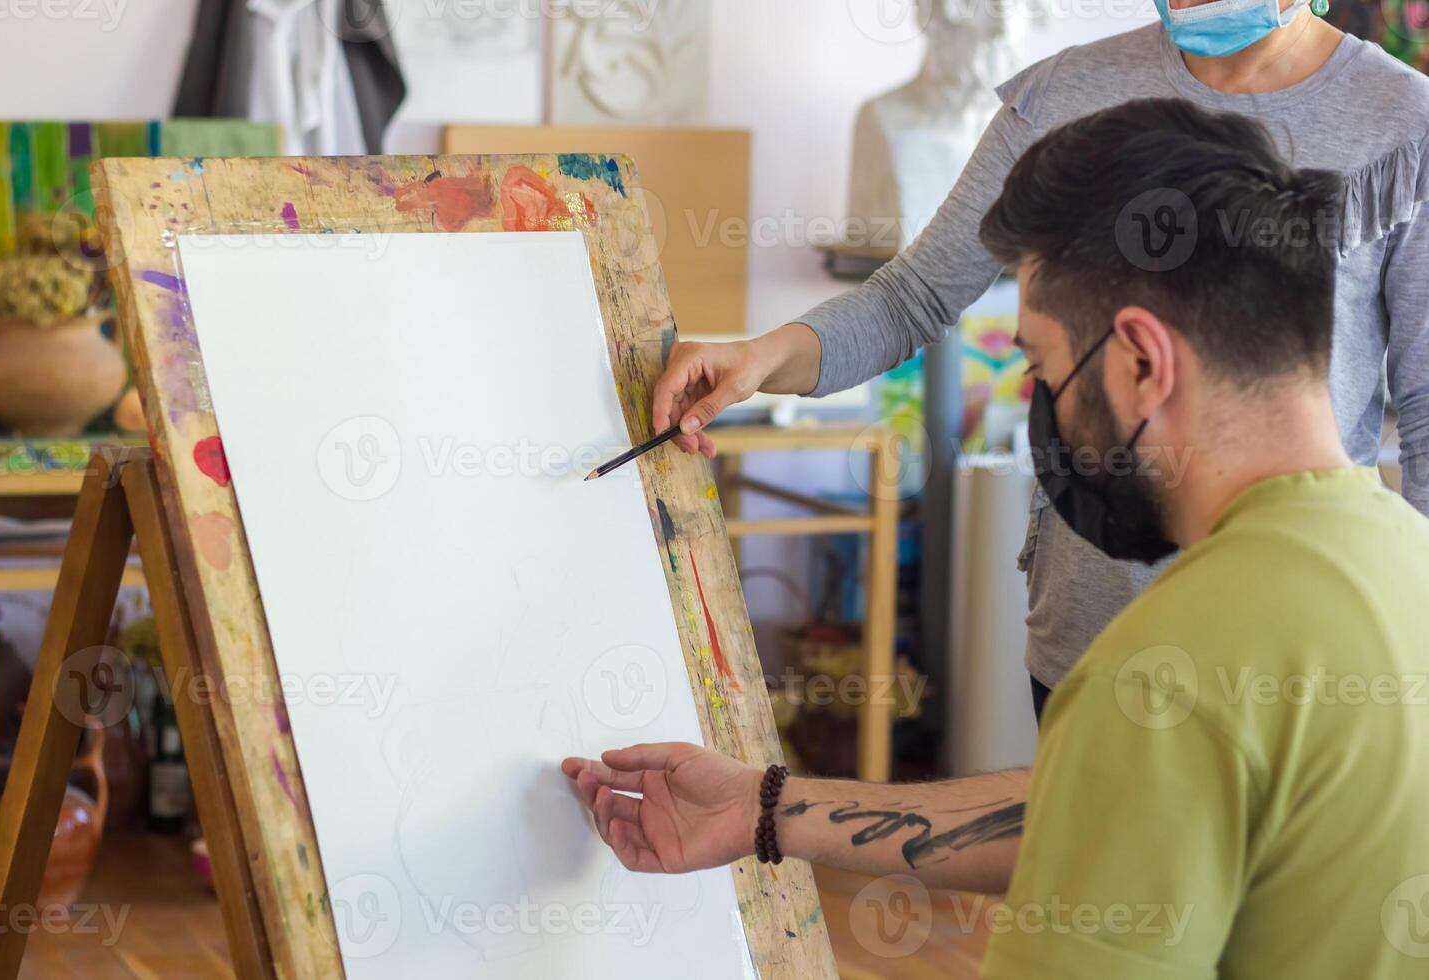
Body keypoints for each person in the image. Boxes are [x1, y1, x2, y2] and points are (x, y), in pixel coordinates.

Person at [565, 97, 1429, 977]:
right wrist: (763, 807)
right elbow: (1095, 810)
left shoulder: (1170, 670)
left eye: (1042, 366)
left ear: (1141, 360)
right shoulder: (1403, 565)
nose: (1041, 409)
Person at [651, 0, 1429, 717]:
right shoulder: (1067, 95)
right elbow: (913, 297)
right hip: (1090, 635)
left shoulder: (1404, 128)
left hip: (1295, 652)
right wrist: (758, 358)